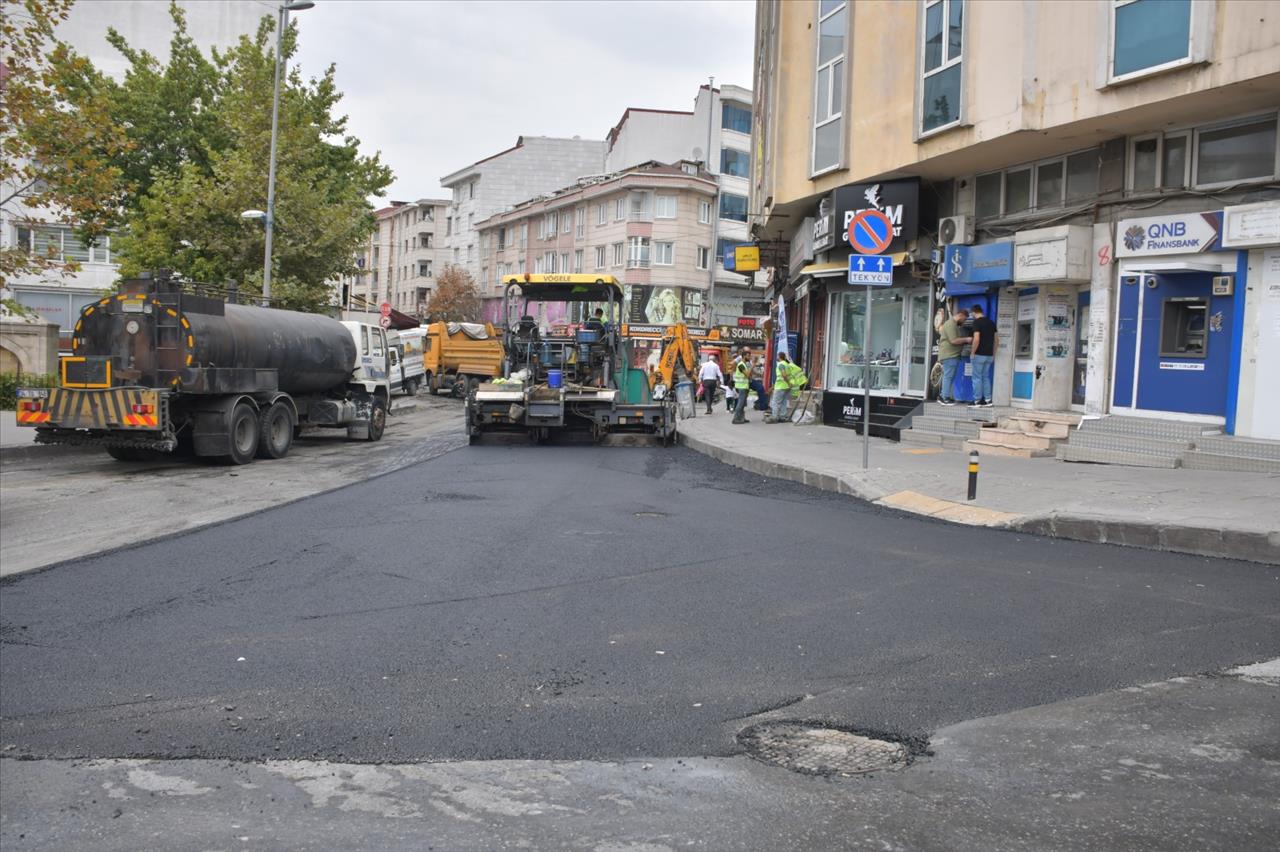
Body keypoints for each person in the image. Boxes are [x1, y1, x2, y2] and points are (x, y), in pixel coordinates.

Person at [937, 307, 971, 406]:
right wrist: (967, 340)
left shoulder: (953, 324)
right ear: (961, 315)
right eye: (964, 319)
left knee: (949, 376)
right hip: (949, 355)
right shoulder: (951, 324)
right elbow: (953, 340)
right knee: (948, 376)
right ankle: (945, 398)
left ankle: (944, 395)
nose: (964, 322)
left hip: (952, 355)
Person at [968, 304, 997, 408]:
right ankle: (988, 400)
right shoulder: (991, 323)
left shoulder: (977, 322)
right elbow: (996, 340)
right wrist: (993, 354)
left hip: (979, 354)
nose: (971, 315)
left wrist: (972, 352)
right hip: (989, 355)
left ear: (974, 312)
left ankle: (977, 401)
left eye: (971, 314)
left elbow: (976, 339)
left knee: (976, 378)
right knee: (985, 377)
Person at [769, 352, 796, 423]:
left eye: (777, 356)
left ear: (779, 357)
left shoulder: (780, 364)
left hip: (780, 386)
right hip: (786, 387)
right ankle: (782, 417)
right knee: (783, 402)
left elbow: (783, 375)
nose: (776, 357)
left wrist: (788, 383)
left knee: (775, 402)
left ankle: (775, 417)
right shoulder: (787, 364)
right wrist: (789, 384)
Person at [731, 352, 752, 424]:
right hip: (741, 387)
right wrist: (752, 366)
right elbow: (747, 375)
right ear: (743, 356)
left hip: (744, 386)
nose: (749, 358)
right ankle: (736, 418)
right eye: (748, 356)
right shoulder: (741, 365)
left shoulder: (744, 365)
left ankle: (742, 418)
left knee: (742, 403)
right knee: (740, 403)